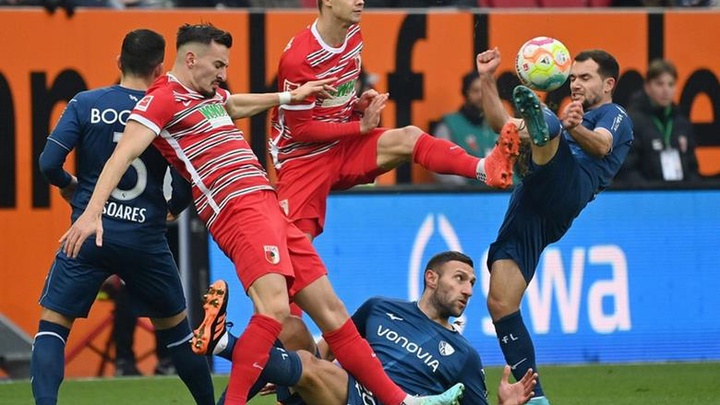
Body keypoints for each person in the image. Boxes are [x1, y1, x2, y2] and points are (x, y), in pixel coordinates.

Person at [59, 23, 464, 405]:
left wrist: (290, 96)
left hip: (268, 204)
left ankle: (401, 401)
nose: (223, 74)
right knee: (274, 311)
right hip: (236, 208)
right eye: (218, 65)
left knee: (333, 312)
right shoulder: (162, 99)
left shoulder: (206, 95)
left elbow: (233, 104)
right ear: (190, 59)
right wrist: (92, 212)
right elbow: (122, 154)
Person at [32, 29, 214, 405]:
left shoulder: (86, 103)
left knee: (53, 327)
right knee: (179, 335)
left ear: (119, 62)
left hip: (89, 233)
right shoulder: (167, 109)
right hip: (144, 239)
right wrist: (173, 207)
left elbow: (49, 163)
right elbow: (188, 176)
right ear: (160, 69)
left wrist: (68, 185)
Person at [270, 0, 520, 241]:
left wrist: (355, 105)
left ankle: (484, 169)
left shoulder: (353, 34)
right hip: (303, 160)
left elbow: (328, 101)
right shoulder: (300, 58)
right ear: (327, 1)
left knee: (409, 137)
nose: (360, 2)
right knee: (294, 252)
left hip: (343, 145)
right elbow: (301, 130)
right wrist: (360, 126)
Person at [475, 47, 633, 405]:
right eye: (573, 77)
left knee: (550, 131)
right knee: (501, 302)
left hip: (569, 187)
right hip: (531, 206)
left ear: (608, 84)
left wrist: (572, 128)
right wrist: (486, 79)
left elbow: (602, 146)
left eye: (585, 77)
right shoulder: (570, 116)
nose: (575, 84)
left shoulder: (614, 114)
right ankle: (536, 399)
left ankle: (542, 128)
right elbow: (500, 124)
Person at [200, 251, 538, 405]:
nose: (468, 290)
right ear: (431, 278)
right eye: (460, 279)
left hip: (384, 401)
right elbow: (328, 349)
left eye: (472, 283)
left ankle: (224, 343)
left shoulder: (465, 355)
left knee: (306, 364)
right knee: (289, 327)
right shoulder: (380, 308)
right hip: (344, 391)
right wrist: (286, 370)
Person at [616, 59, 700, 183]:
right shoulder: (632, 121)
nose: (666, 90)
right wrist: (650, 191)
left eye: (671, 84)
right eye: (659, 84)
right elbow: (627, 169)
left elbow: (692, 168)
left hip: (680, 193)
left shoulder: (681, 123)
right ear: (647, 87)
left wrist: (691, 190)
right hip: (647, 192)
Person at [434, 71, 503, 186]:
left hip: (505, 192)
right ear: (465, 93)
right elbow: (441, 163)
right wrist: (466, 191)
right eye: (476, 91)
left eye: (485, 91)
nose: (481, 96)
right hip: (467, 194)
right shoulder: (450, 125)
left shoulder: (500, 123)